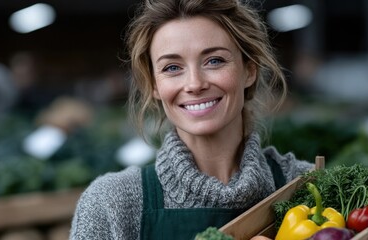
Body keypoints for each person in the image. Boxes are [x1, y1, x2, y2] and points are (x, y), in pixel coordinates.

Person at [69, 0, 314, 239]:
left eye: (214, 60)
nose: (195, 84)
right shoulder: (112, 203)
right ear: (154, 85)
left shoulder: (308, 186)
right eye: (172, 68)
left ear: (249, 70)